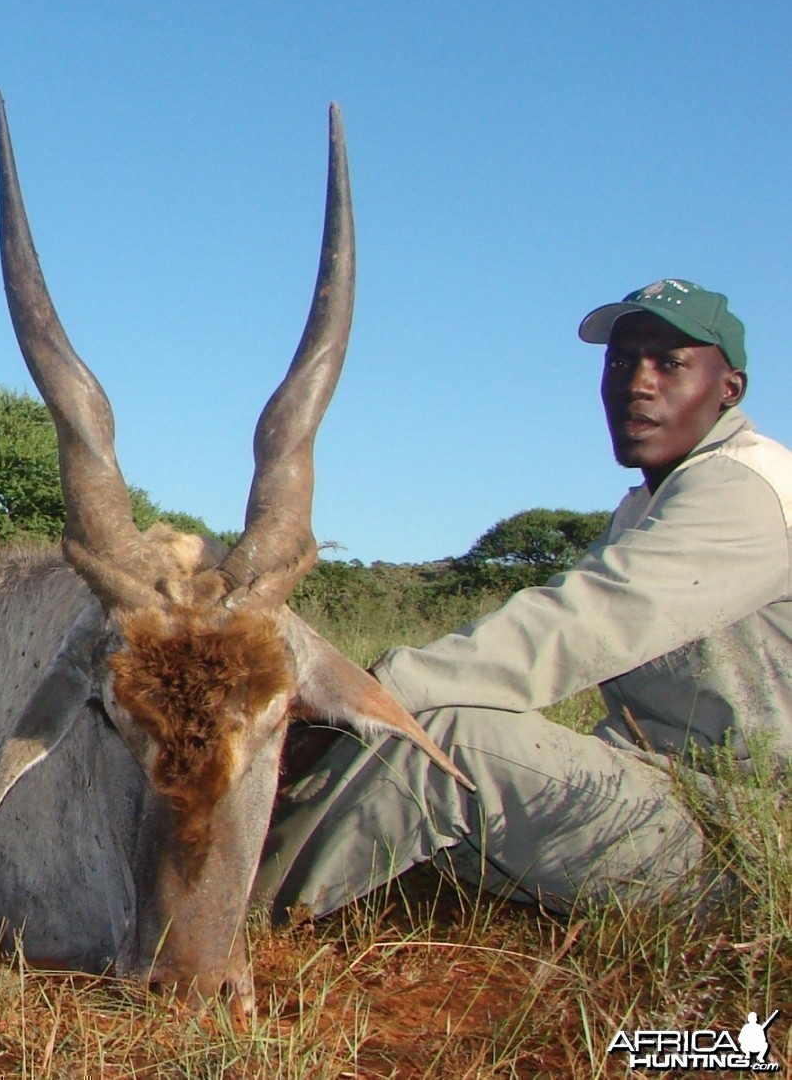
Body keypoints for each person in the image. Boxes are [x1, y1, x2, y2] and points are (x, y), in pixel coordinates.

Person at [257, 278, 792, 916]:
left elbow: (579, 624)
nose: (636, 383)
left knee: (448, 739)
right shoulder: (645, 505)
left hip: (752, 836)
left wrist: (366, 693)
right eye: (620, 361)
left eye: (670, 363)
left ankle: (212, 925)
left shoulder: (745, 487)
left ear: (729, 389)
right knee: (424, 755)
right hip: (676, 798)